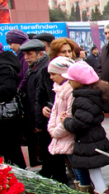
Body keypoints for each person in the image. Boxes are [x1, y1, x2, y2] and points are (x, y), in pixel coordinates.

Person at [62, 62, 109, 194]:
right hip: (94, 138)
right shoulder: (91, 95)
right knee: (94, 173)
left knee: (95, 173)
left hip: (89, 141)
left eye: (71, 79)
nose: (69, 82)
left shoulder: (82, 99)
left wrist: (66, 122)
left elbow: (80, 123)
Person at [36, 38, 79, 184]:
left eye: (69, 51)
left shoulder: (77, 70)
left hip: (69, 123)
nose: (67, 55)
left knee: (77, 167)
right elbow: (41, 94)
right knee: (65, 162)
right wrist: (44, 107)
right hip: (55, 122)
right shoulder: (47, 72)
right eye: (63, 52)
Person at [47, 57, 86, 190]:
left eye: (53, 74)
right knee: (74, 169)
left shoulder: (70, 90)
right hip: (61, 134)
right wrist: (51, 129)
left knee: (79, 169)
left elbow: (68, 115)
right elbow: (55, 111)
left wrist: (56, 132)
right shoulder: (58, 89)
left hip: (69, 135)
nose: (51, 77)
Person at [21, 39, 51, 172]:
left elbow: (40, 99)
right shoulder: (34, 68)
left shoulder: (43, 69)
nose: (26, 58)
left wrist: (38, 123)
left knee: (48, 152)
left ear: (40, 54)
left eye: (30, 54)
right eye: (25, 55)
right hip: (37, 118)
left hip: (44, 119)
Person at [0, 46, 24, 167]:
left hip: (6, 119)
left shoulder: (4, 66)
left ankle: (19, 180)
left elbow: (8, 90)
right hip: (5, 118)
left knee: (11, 152)